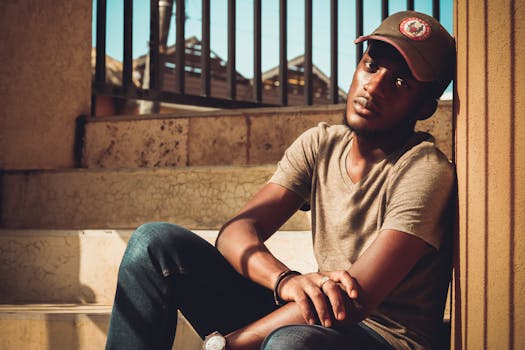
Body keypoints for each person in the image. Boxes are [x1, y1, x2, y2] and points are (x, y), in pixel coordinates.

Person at [105, 10, 456, 350]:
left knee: (290, 342)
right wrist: (285, 280)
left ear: (425, 106)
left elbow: (354, 301)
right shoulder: (321, 144)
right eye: (371, 65)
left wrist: (227, 345)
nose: (373, 87)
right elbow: (235, 234)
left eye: (399, 82)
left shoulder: (424, 169)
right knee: (154, 244)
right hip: (315, 315)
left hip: (381, 337)